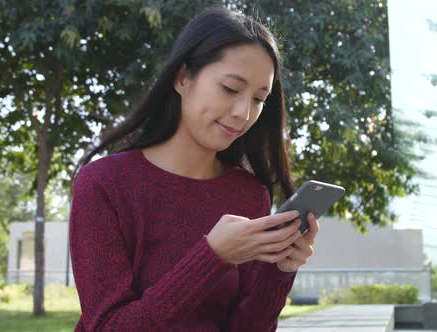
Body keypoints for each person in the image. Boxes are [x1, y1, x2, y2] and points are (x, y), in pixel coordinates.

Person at [69, 6, 320, 331]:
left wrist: (279, 270)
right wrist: (213, 256)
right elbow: (109, 326)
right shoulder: (103, 184)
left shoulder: (248, 194)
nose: (244, 113)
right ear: (183, 77)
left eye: (260, 98)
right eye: (230, 89)